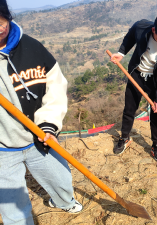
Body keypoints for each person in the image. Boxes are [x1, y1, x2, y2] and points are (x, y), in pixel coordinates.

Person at [0, 1, 82, 224]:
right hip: (2, 149)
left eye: (2, 19)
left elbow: (55, 88)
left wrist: (49, 125)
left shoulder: (33, 49)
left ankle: (63, 201)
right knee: (14, 212)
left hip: (37, 136)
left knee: (61, 180)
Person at [110, 13, 157, 161]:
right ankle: (125, 137)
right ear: (154, 30)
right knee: (129, 108)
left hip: (155, 80)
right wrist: (121, 52)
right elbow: (130, 36)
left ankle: (156, 144)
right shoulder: (141, 27)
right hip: (137, 73)